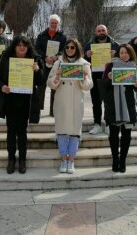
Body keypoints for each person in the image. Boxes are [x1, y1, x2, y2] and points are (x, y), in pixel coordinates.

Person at [0, 35, 44, 174]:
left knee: (22, 132)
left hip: (26, 101)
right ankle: (11, 159)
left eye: (25, 45)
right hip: (10, 99)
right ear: (14, 46)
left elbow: (40, 81)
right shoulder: (5, 58)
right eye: (19, 45)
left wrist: (37, 70)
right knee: (11, 131)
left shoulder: (35, 60)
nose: (22, 47)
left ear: (28, 47)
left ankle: (22, 160)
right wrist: (2, 86)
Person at [47, 39, 93, 174]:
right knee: (61, 131)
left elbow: (89, 85)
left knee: (75, 132)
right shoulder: (58, 62)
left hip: (76, 102)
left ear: (77, 48)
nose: (69, 49)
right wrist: (57, 77)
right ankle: (63, 159)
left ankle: (71, 160)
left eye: (72, 47)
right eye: (67, 47)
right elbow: (50, 83)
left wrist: (84, 77)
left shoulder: (84, 64)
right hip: (61, 102)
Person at [101, 44, 137, 173]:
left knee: (126, 134)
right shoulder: (110, 66)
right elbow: (104, 86)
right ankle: (115, 159)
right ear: (118, 54)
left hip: (128, 105)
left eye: (126, 53)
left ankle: (123, 160)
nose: (124, 55)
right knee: (113, 134)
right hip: (113, 105)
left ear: (131, 54)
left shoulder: (136, 68)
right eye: (121, 52)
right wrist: (108, 78)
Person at [84, 24, 120, 134]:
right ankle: (97, 124)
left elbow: (123, 58)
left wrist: (116, 55)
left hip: (109, 76)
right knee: (96, 102)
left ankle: (109, 124)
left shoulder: (115, 45)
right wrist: (87, 55)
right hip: (95, 77)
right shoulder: (89, 45)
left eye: (103, 30)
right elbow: (84, 61)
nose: (101, 32)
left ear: (107, 31)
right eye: (99, 30)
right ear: (96, 33)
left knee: (109, 101)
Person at [35, 14, 67, 117]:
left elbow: (64, 50)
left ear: (58, 25)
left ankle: (53, 111)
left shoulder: (63, 37)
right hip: (43, 64)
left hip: (56, 65)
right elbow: (37, 49)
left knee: (55, 87)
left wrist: (56, 57)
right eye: (52, 23)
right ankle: (38, 110)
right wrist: (45, 57)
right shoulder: (41, 36)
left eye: (55, 23)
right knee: (41, 86)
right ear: (49, 24)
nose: (53, 24)